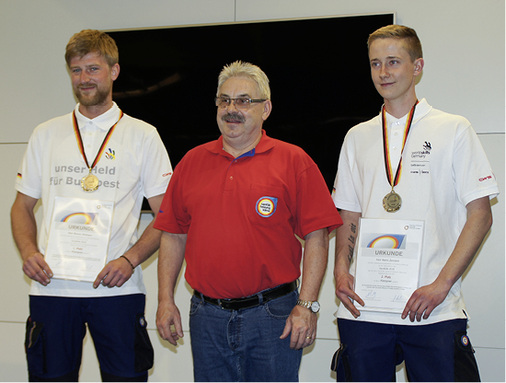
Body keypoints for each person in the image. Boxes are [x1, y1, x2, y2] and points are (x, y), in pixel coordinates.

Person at [154, 60, 342, 382]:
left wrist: (307, 305)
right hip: (206, 317)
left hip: (273, 316)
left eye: (244, 101)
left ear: (265, 108)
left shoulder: (294, 160)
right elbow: (173, 234)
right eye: (224, 100)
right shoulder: (191, 162)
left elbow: (317, 236)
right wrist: (164, 299)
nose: (232, 109)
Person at [331, 24, 499, 382]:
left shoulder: (453, 129)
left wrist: (441, 285)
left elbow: (480, 216)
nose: (383, 72)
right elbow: (349, 213)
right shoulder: (357, 136)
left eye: (393, 61)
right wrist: (341, 271)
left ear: (417, 67)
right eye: (375, 63)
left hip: (433, 309)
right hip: (366, 308)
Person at [10, 29, 172, 382]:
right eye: (76, 70)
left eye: (93, 69)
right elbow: (21, 206)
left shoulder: (143, 136)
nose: (84, 79)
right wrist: (27, 251)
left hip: (117, 290)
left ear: (113, 71)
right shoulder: (46, 134)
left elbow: (168, 215)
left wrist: (129, 260)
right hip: (52, 288)